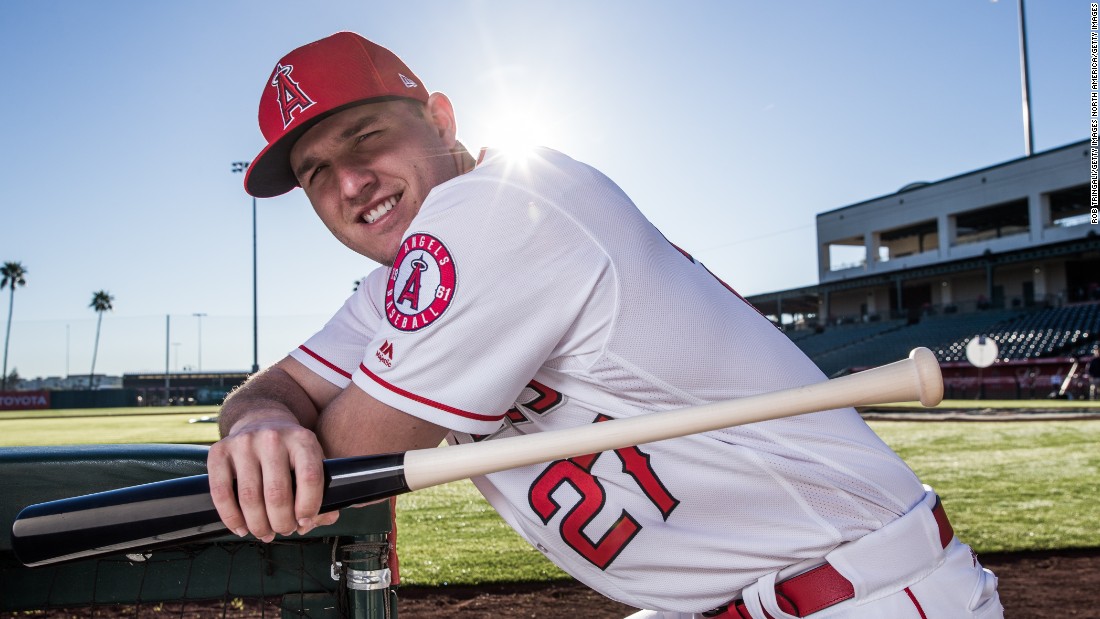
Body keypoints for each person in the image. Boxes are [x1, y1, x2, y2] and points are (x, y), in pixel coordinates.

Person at [209, 32, 1003, 618]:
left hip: (862, 592)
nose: (350, 183)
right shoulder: (395, 283)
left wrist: (297, 437)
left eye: (367, 137)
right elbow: (271, 387)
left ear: (440, 119)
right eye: (316, 174)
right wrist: (264, 419)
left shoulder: (493, 209)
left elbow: (353, 453)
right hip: (747, 596)